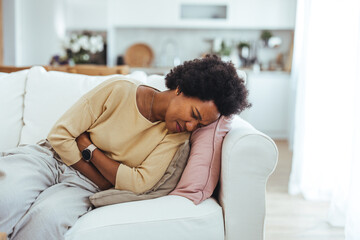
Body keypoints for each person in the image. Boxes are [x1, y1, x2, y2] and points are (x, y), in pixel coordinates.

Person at [0, 55, 250, 240]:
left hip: (85, 186)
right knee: (6, 194)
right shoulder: (119, 90)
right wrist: (106, 175)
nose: (190, 125)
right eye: (194, 114)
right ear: (181, 89)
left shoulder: (175, 137)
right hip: (50, 158)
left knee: (47, 220)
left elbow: (139, 183)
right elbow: (61, 135)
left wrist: (89, 148)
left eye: (199, 124)